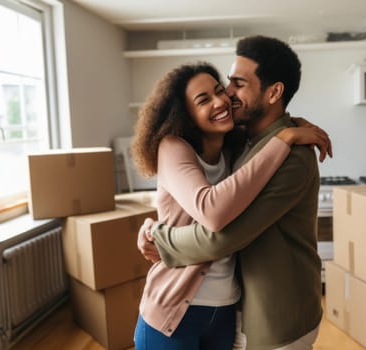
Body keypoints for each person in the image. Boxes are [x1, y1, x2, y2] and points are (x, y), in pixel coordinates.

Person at [139, 35, 326, 350]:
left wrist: (160, 237)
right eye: (227, 83)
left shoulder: (289, 155)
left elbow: (224, 236)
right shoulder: (243, 142)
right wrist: (290, 128)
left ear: (274, 92)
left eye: (237, 84)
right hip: (213, 312)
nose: (226, 96)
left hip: (279, 321)